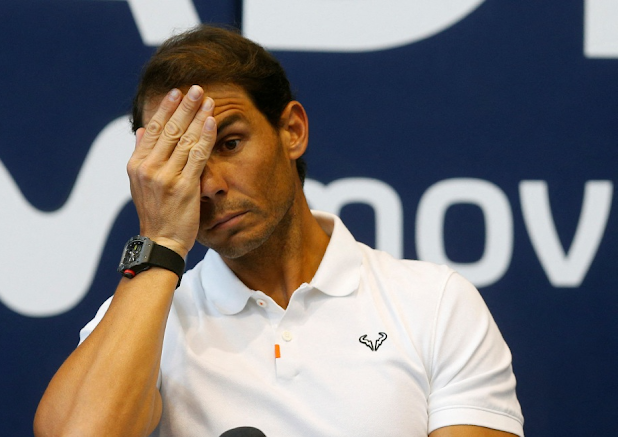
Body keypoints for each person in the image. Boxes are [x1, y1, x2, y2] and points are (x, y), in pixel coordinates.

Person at [34, 25, 524, 437]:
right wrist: (160, 243)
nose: (209, 186)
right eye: (183, 163)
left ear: (292, 130)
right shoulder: (144, 317)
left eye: (228, 143)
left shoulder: (435, 303)